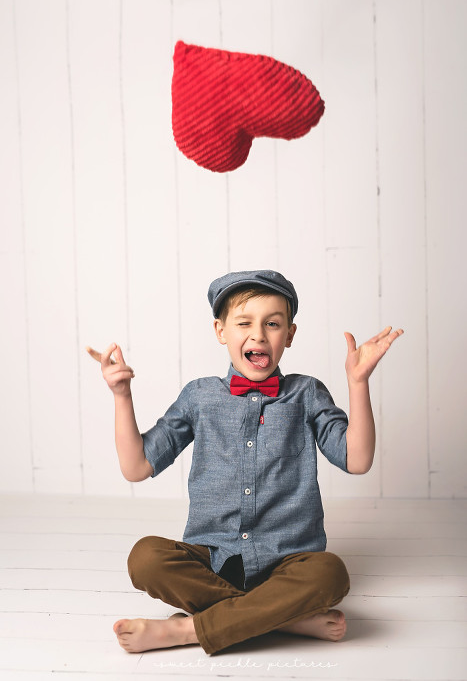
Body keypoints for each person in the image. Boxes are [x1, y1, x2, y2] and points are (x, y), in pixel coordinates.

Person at [87, 269, 403, 656]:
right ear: (221, 331)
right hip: (213, 558)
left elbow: (357, 460)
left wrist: (358, 383)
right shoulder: (199, 396)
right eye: (244, 323)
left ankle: (186, 631)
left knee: (330, 574)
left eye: (272, 324)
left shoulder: (307, 393)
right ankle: (285, 619)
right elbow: (137, 467)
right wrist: (121, 394)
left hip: (290, 561)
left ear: (289, 334)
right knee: (145, 557)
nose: (258, 334)